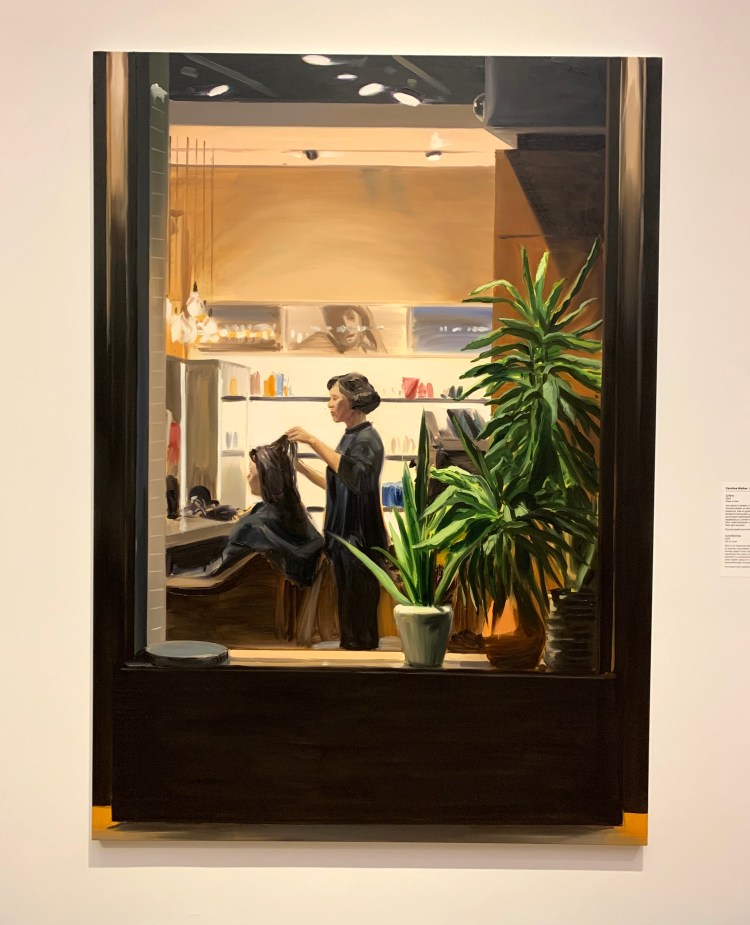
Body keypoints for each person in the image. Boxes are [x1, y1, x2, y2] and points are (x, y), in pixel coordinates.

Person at [287, 373, 388, 650]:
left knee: (359, 614)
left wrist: (312, 441)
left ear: (353, 402)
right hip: (345, 539)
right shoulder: (350, 437)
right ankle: (353, 653)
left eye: (334, 398)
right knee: (349, 612)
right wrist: (300, 467)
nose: (329, 405)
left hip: (360, 541)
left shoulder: (367, 439)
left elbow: (354, 476)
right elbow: (335, 479)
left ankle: (360, 660)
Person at [170, 436, 324, 586]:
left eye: (251, 471)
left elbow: (213, 572)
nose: (247, 476)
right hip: (282, 595)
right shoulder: (297, 514)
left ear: (265, 477)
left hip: (230, 597)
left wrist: (173, 577)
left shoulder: (251, 527)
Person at [294, 304, 385, 355]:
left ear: (362, 321)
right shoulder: (319, 342)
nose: (346, 326)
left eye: (351, 317)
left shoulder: (366, 350)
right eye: (337, 320)